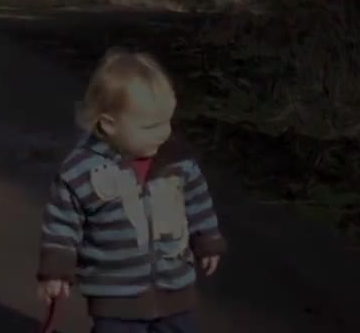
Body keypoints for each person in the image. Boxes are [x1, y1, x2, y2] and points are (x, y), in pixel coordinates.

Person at [35, 47, 227, 333]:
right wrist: (56, 270)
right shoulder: (81, 172)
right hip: (115, 299)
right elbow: (62, 225)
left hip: (175, 288)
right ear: (109, 125)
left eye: (168, 122)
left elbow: (197, 201)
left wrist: (207, 239)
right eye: (150, 126)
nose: (164, 133)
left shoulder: (176, 160)